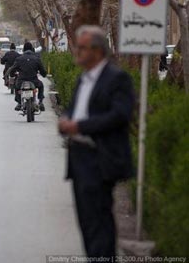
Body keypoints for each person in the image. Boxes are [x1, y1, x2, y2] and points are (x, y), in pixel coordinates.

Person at [58, 25, 135, 258]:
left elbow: (120, 115)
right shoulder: (84, 79)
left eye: (82, 48)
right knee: (86, 222)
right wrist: (65, 121)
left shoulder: (117, 78)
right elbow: (74, 111)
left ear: (98, 50)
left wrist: (79, 126)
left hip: (100, 158)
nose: (77, 52)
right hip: (79, 158)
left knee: (100, 222)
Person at [6, 42, 47, 111]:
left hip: (21, 81)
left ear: (23, 49)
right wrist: (44, 74)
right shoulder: (36, 59)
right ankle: (40, 101)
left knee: (16, 86)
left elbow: (12, 68)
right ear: (32, 49)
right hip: (34, 81)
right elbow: (42, 70)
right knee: (41, 85)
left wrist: (11, 74)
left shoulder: (19, 59)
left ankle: (19, 103)